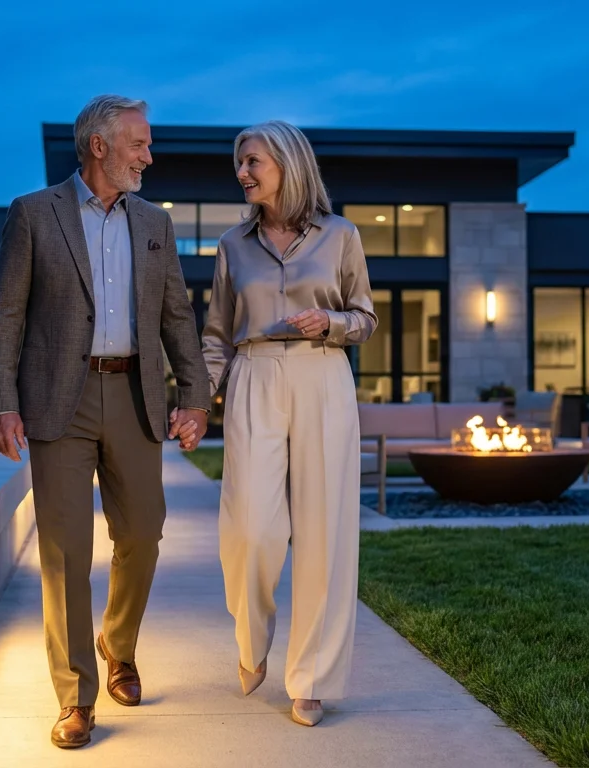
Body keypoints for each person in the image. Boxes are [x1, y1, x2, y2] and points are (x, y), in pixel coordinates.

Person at [0, 94, 211, 749]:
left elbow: (175, 315)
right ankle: (76, 697)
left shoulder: (155, 223)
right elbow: (6, 315)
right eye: (139, 143)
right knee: (63, 552)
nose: (149, 154)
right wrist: (2, 400)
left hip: (135, 392)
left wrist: (194, 396)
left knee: (144, 530)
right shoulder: (33, 214)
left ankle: (118, 641)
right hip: (59, 396)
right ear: (99, 147)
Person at [199, 120, 376, 727]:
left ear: (287, 163)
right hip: (253, 377)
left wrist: (331, 324)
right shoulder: (232, 245)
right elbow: (216, 336)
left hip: (323, 377)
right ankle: (252, 642)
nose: (242, 173)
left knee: (324, 533)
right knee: (248, 527)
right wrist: (198, 401)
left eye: (252, 162)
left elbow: (366, 317)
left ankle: (311, 678)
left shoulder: (342, 236)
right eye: (239, 164)